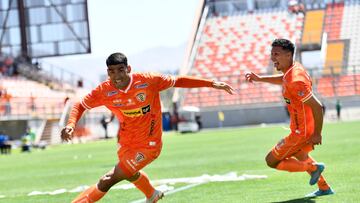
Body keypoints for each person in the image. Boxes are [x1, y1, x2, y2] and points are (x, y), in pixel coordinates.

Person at [60, 52, 234, 203]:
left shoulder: (149, 81)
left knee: (107, 179)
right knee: (129, 173)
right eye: (112, 72)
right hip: (126, 143)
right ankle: (152, 195)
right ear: (108, 73)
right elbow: (80, 105)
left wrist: (211, 83)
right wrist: (70, 124)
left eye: (121, 70)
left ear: (129, 69)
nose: (117, 75)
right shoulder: (104, 91)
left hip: (149, 145)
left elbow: (178, 81)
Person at [245, 39, 334, 197]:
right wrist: (260, 79)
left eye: (276, 54)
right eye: (272, 54)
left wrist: (317, 134)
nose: (272, 58)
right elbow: (284, 80)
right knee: (301, 155)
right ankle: (324, 187)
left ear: (288, 55)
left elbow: (317, 106)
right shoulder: (293, 69)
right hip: (301, 127)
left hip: (302, 132)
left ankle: (313, 168)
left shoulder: (295, 81)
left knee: (271, 161)